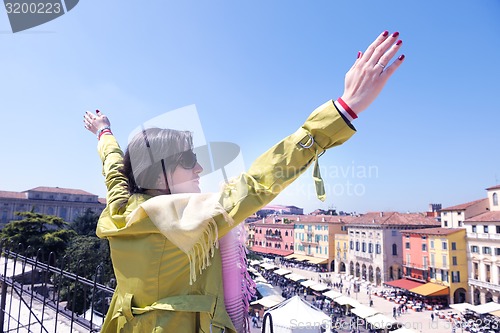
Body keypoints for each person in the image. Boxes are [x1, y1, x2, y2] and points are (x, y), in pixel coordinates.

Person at [83, 30, 405, 333]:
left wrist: (104, 132)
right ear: (158, 174)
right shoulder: (186, 220)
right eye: (187, 160)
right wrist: (344, 109)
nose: (199, 168)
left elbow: (114, 169)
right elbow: (259, 181)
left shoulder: (121, 208)